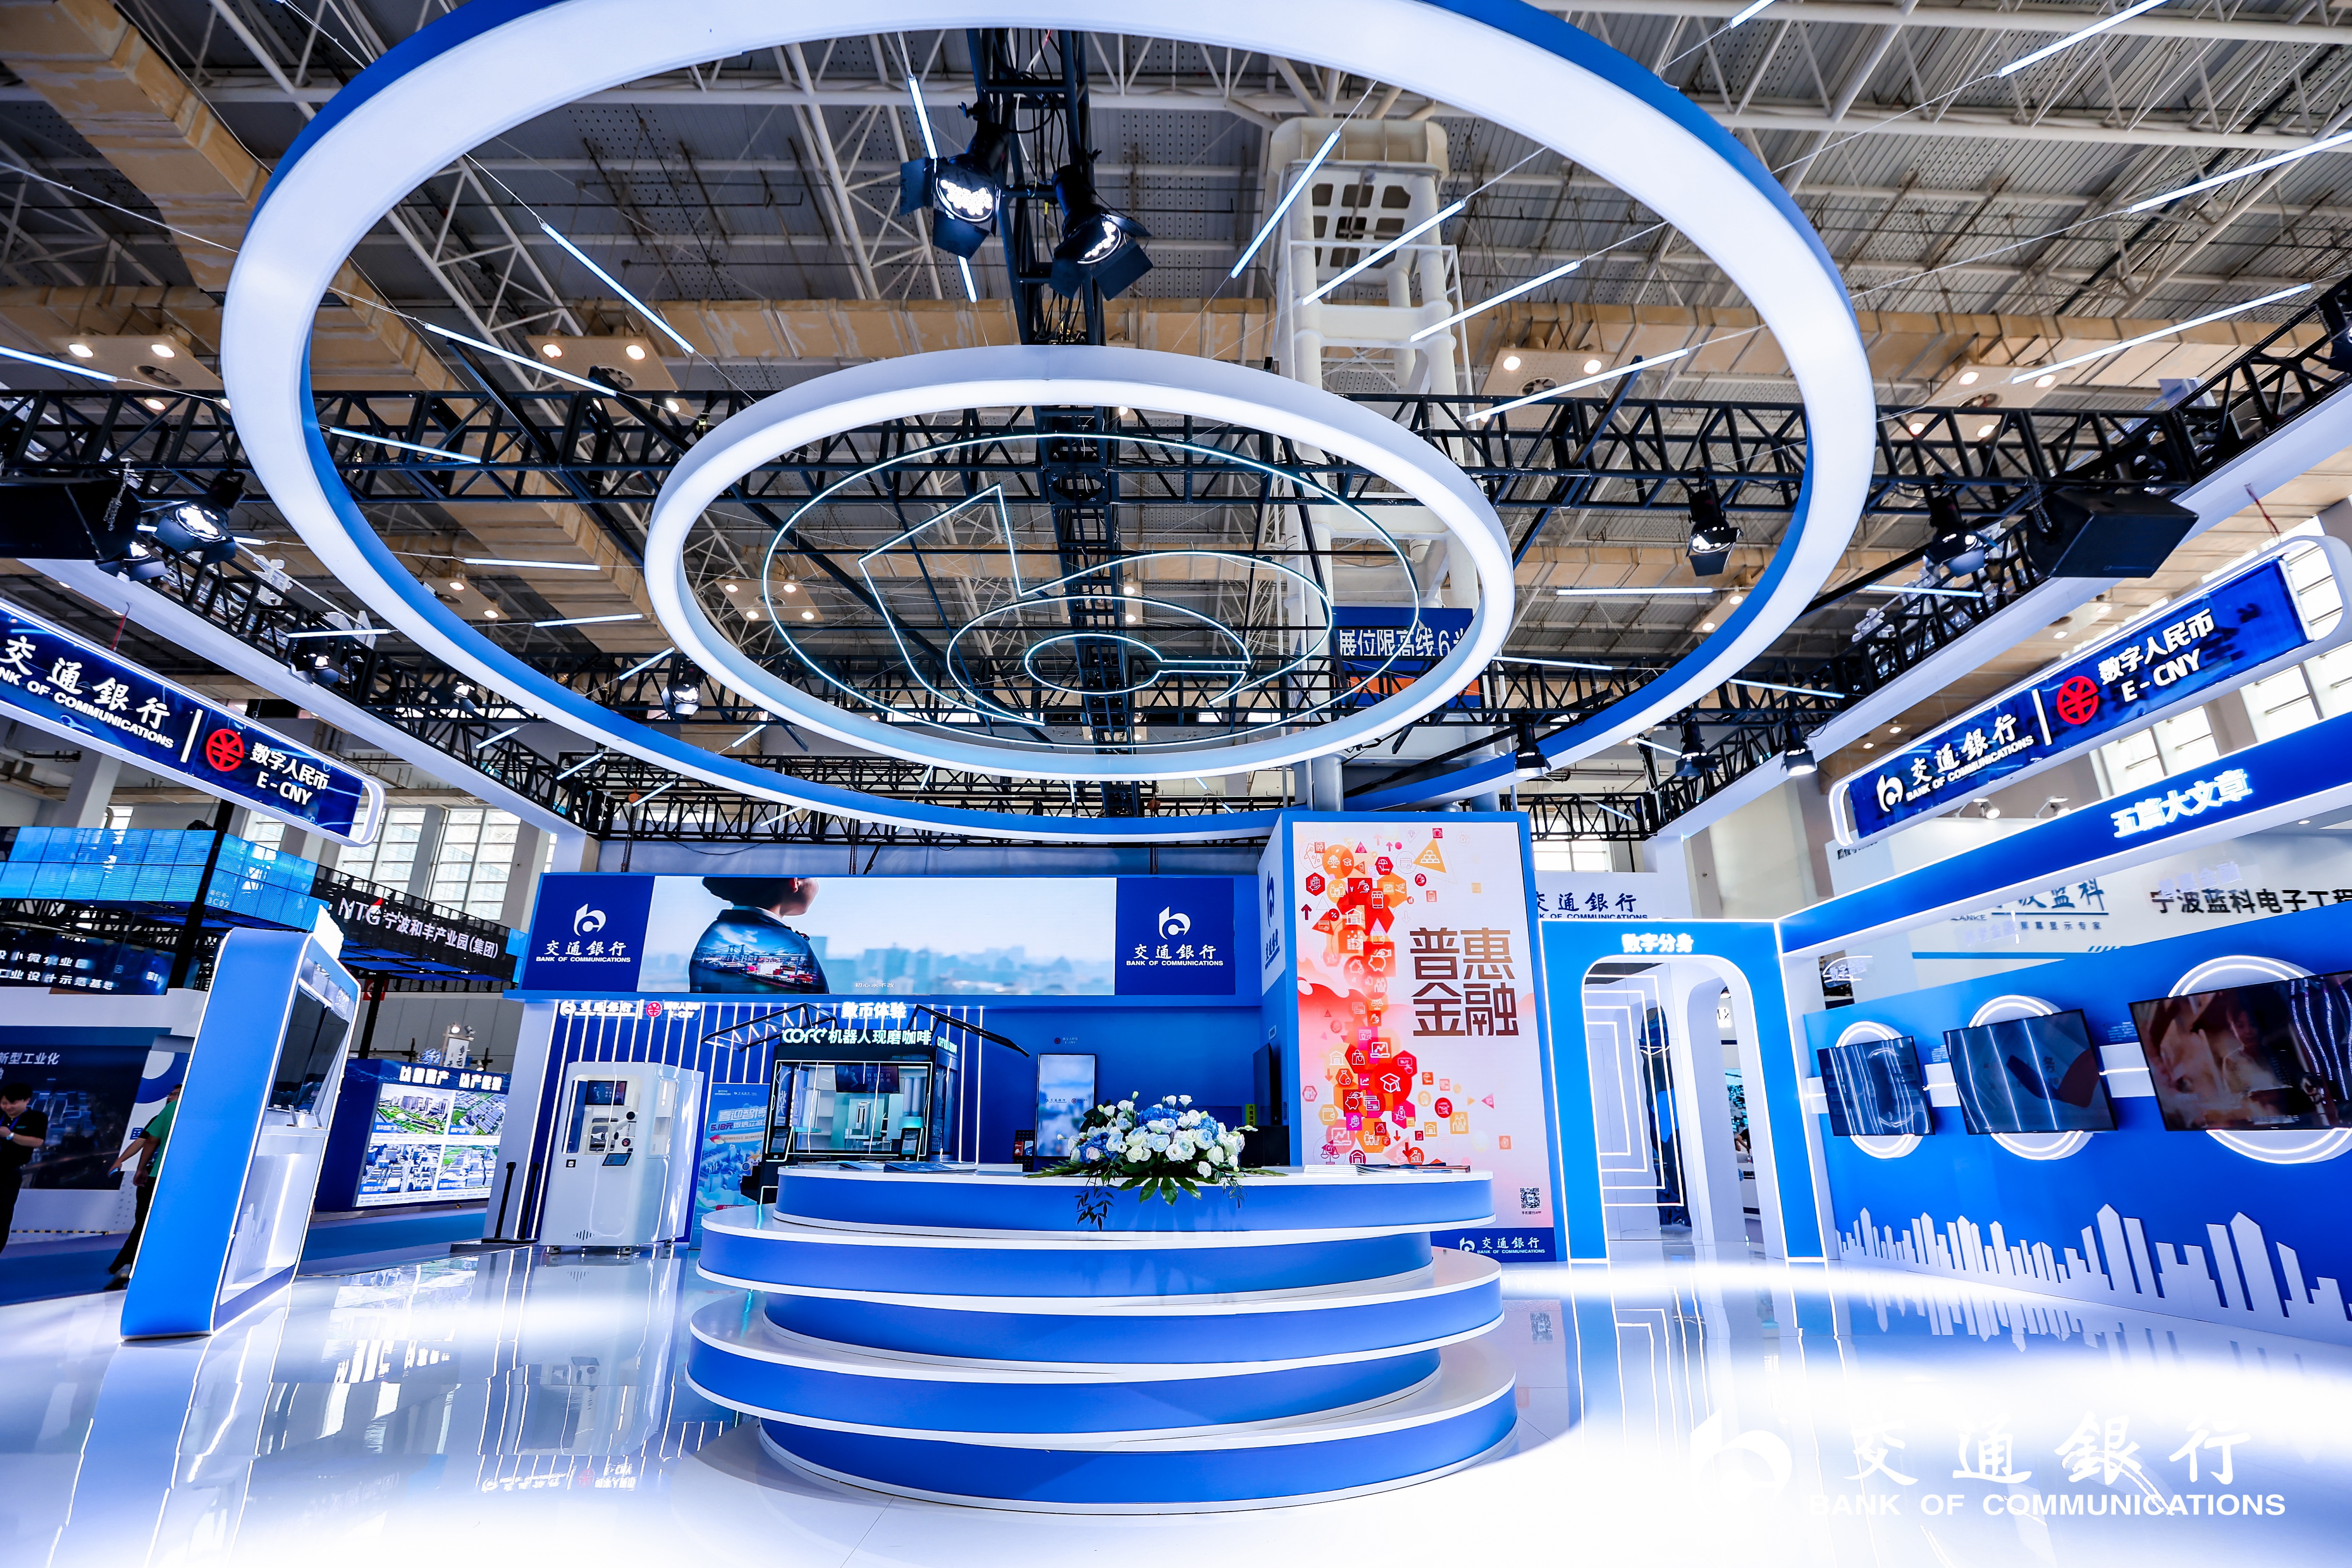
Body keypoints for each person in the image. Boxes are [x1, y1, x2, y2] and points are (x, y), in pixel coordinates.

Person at [689, 877, 830, 993]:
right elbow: (817, 1007)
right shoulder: (793, 944)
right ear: (795, 882)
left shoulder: (715, 931)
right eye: (816, 878)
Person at [105, 1082, 180, 1285]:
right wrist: (122, 1160)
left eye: (175, 1094)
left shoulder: (171, 1111)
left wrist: (141, 1169)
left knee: (144, 1224)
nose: (170, 1097)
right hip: (179, 1179)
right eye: (171, 1093)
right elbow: (143, 1141)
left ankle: (126, 1265)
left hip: (157, 1175)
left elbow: (150, 1141)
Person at [0, 1080, 48, 1256]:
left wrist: (10, 1135)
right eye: (4, 1103)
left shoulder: (37, 1118)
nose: (7, 1107)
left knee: (3, 1215)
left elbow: (37, 1142)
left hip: (9, 1173)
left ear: (26, 1100)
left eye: (12, 1103)